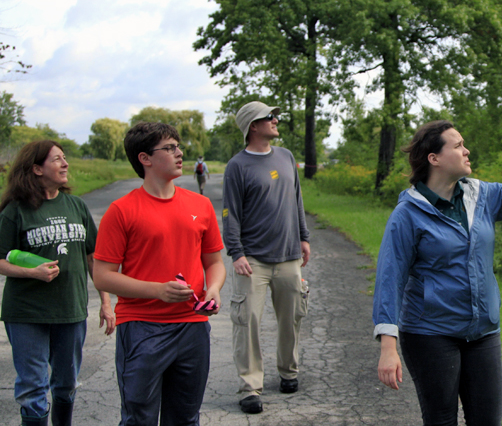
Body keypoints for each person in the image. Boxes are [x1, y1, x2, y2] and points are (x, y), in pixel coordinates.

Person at [373, 114, 502, 426]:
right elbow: (390, 277)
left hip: (483, 331)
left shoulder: (482, 194)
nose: (467, 151)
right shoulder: (408, 214)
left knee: (487, 420)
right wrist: (388, 346)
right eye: (459, 145)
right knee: (441, 419)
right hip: (430, 333)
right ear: (434, 158)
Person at [92, 122, 226, 426]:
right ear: (145, 159)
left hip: (192, 326)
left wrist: (214, 289)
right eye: (169, 148)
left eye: (178, 146)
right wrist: (157, 291)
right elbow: (102, 276)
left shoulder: (201, 205)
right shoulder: (121, 210)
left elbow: (215, 263)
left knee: (185, 418)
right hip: (141, 328)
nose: (179, 153)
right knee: (139, 419)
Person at [0, 140, 115, 426]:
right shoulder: (16, 210)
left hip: (70, 310)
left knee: (66, 384)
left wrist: (105, 301)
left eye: (65, 158)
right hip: (26, 313)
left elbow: (93, 258)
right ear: (37, 169)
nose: (65, 164)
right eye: (57, 159)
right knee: (33, 388)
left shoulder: (76, 205)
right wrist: (31, 272)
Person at [223, 101, 311, 415]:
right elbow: (230, 213)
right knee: (247, 321)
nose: (275, 120)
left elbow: (297, 198)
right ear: (253, 126)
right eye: (268, 117)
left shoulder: (286, 157)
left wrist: (304, 236)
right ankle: (250, 387)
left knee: (293, 317)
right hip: (254, 261)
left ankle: (288, 371)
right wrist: (236, 252)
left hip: (289, 255)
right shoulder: (237, 166)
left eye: (274, 115)